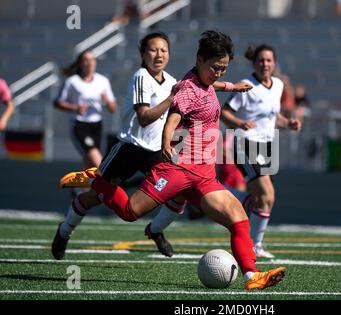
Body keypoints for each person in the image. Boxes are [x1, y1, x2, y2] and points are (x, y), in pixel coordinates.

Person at [58, 30, 286, 290]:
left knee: (238, 218)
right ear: (200, 60)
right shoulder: (187, 88)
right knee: (131, 212)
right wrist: (167, 141)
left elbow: (212, 86)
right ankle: (94, 180)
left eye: (224, 69)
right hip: (177, 169)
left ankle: (251, 276)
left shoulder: (205, 81)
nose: (219, 73)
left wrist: (232, 86)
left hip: (203, 174)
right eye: (215, 68)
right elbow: (174, 118)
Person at [221, 43, 301, 259]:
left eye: (268, 60)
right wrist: (239, 123)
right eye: (261, 60)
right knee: (267, 195)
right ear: (254, 63)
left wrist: (288, 123)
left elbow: (273, 116)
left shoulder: (277, 85)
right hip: (244, 144)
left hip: (266, 145)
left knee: (260, 200)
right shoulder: (246, 85)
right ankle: (254, 246)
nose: (265, 64)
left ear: (274, 63)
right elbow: (224, 113)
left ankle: (220, 191)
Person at [54, 50, 117, 171]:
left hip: (97, 125)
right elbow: (57, 102)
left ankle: (82, 189)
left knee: (90, 163)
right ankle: (110, 181)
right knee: (95, 157)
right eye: (86, 60)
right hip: (80, 125)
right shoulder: (72, 81)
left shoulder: (103, 81)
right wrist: (75, 108)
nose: (90, 63)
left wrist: (107, 101)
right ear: (80, 64)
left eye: (92, 59)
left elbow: (113, 108)